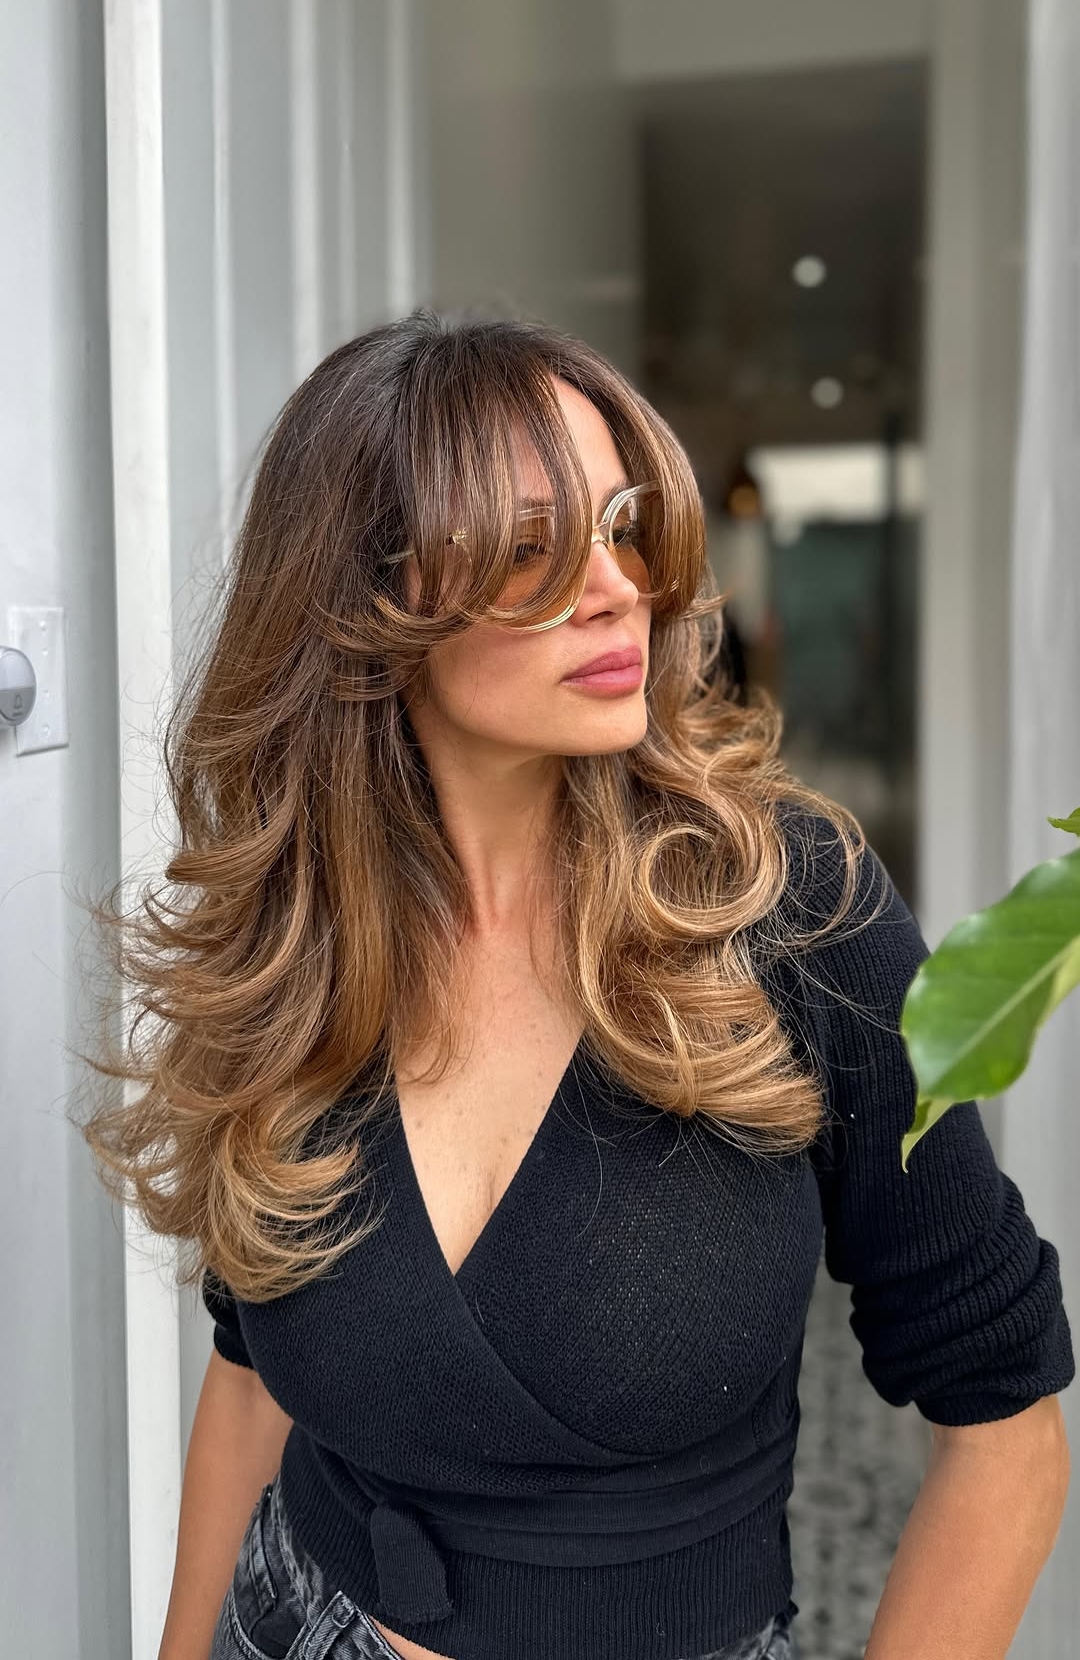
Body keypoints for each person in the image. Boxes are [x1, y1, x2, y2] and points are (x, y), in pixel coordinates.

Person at [74, 309, 1073, 1660]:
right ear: (364, 607)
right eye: (529, 550)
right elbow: (251, 1371)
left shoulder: (790, 909)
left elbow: (1006, 1428)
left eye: (624, 529)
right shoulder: (297, 942)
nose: (616, 590)